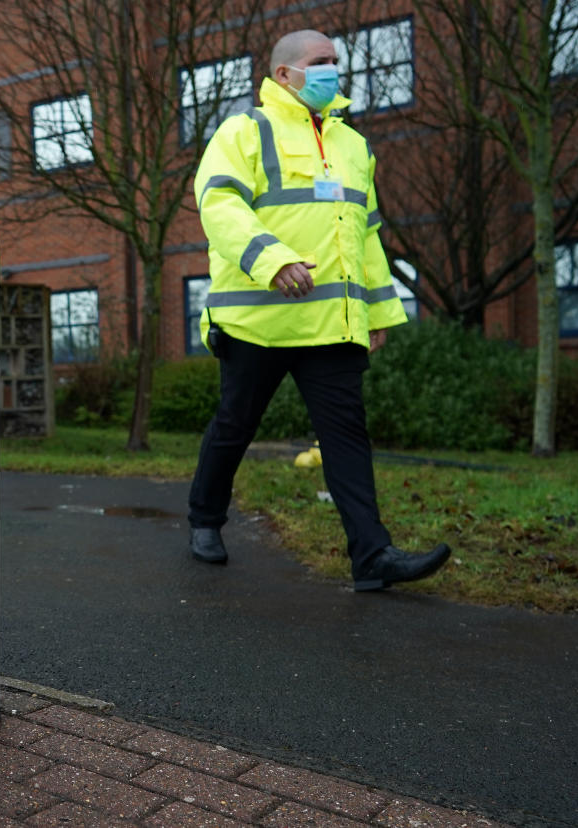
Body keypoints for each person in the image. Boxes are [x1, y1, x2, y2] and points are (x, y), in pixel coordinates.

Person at [187, 29, 450, 592]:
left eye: (336, 61)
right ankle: (205, 520)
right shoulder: (244, 131)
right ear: (284, 74)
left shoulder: (355, 146)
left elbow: (367, 236)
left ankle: (372, 557)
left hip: (331, 325)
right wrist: (272, 259)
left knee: (347, 437)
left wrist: (377, 311)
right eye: (319, 62)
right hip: (258, 319)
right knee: (234, 426)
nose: (333, 70)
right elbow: (219, 204)